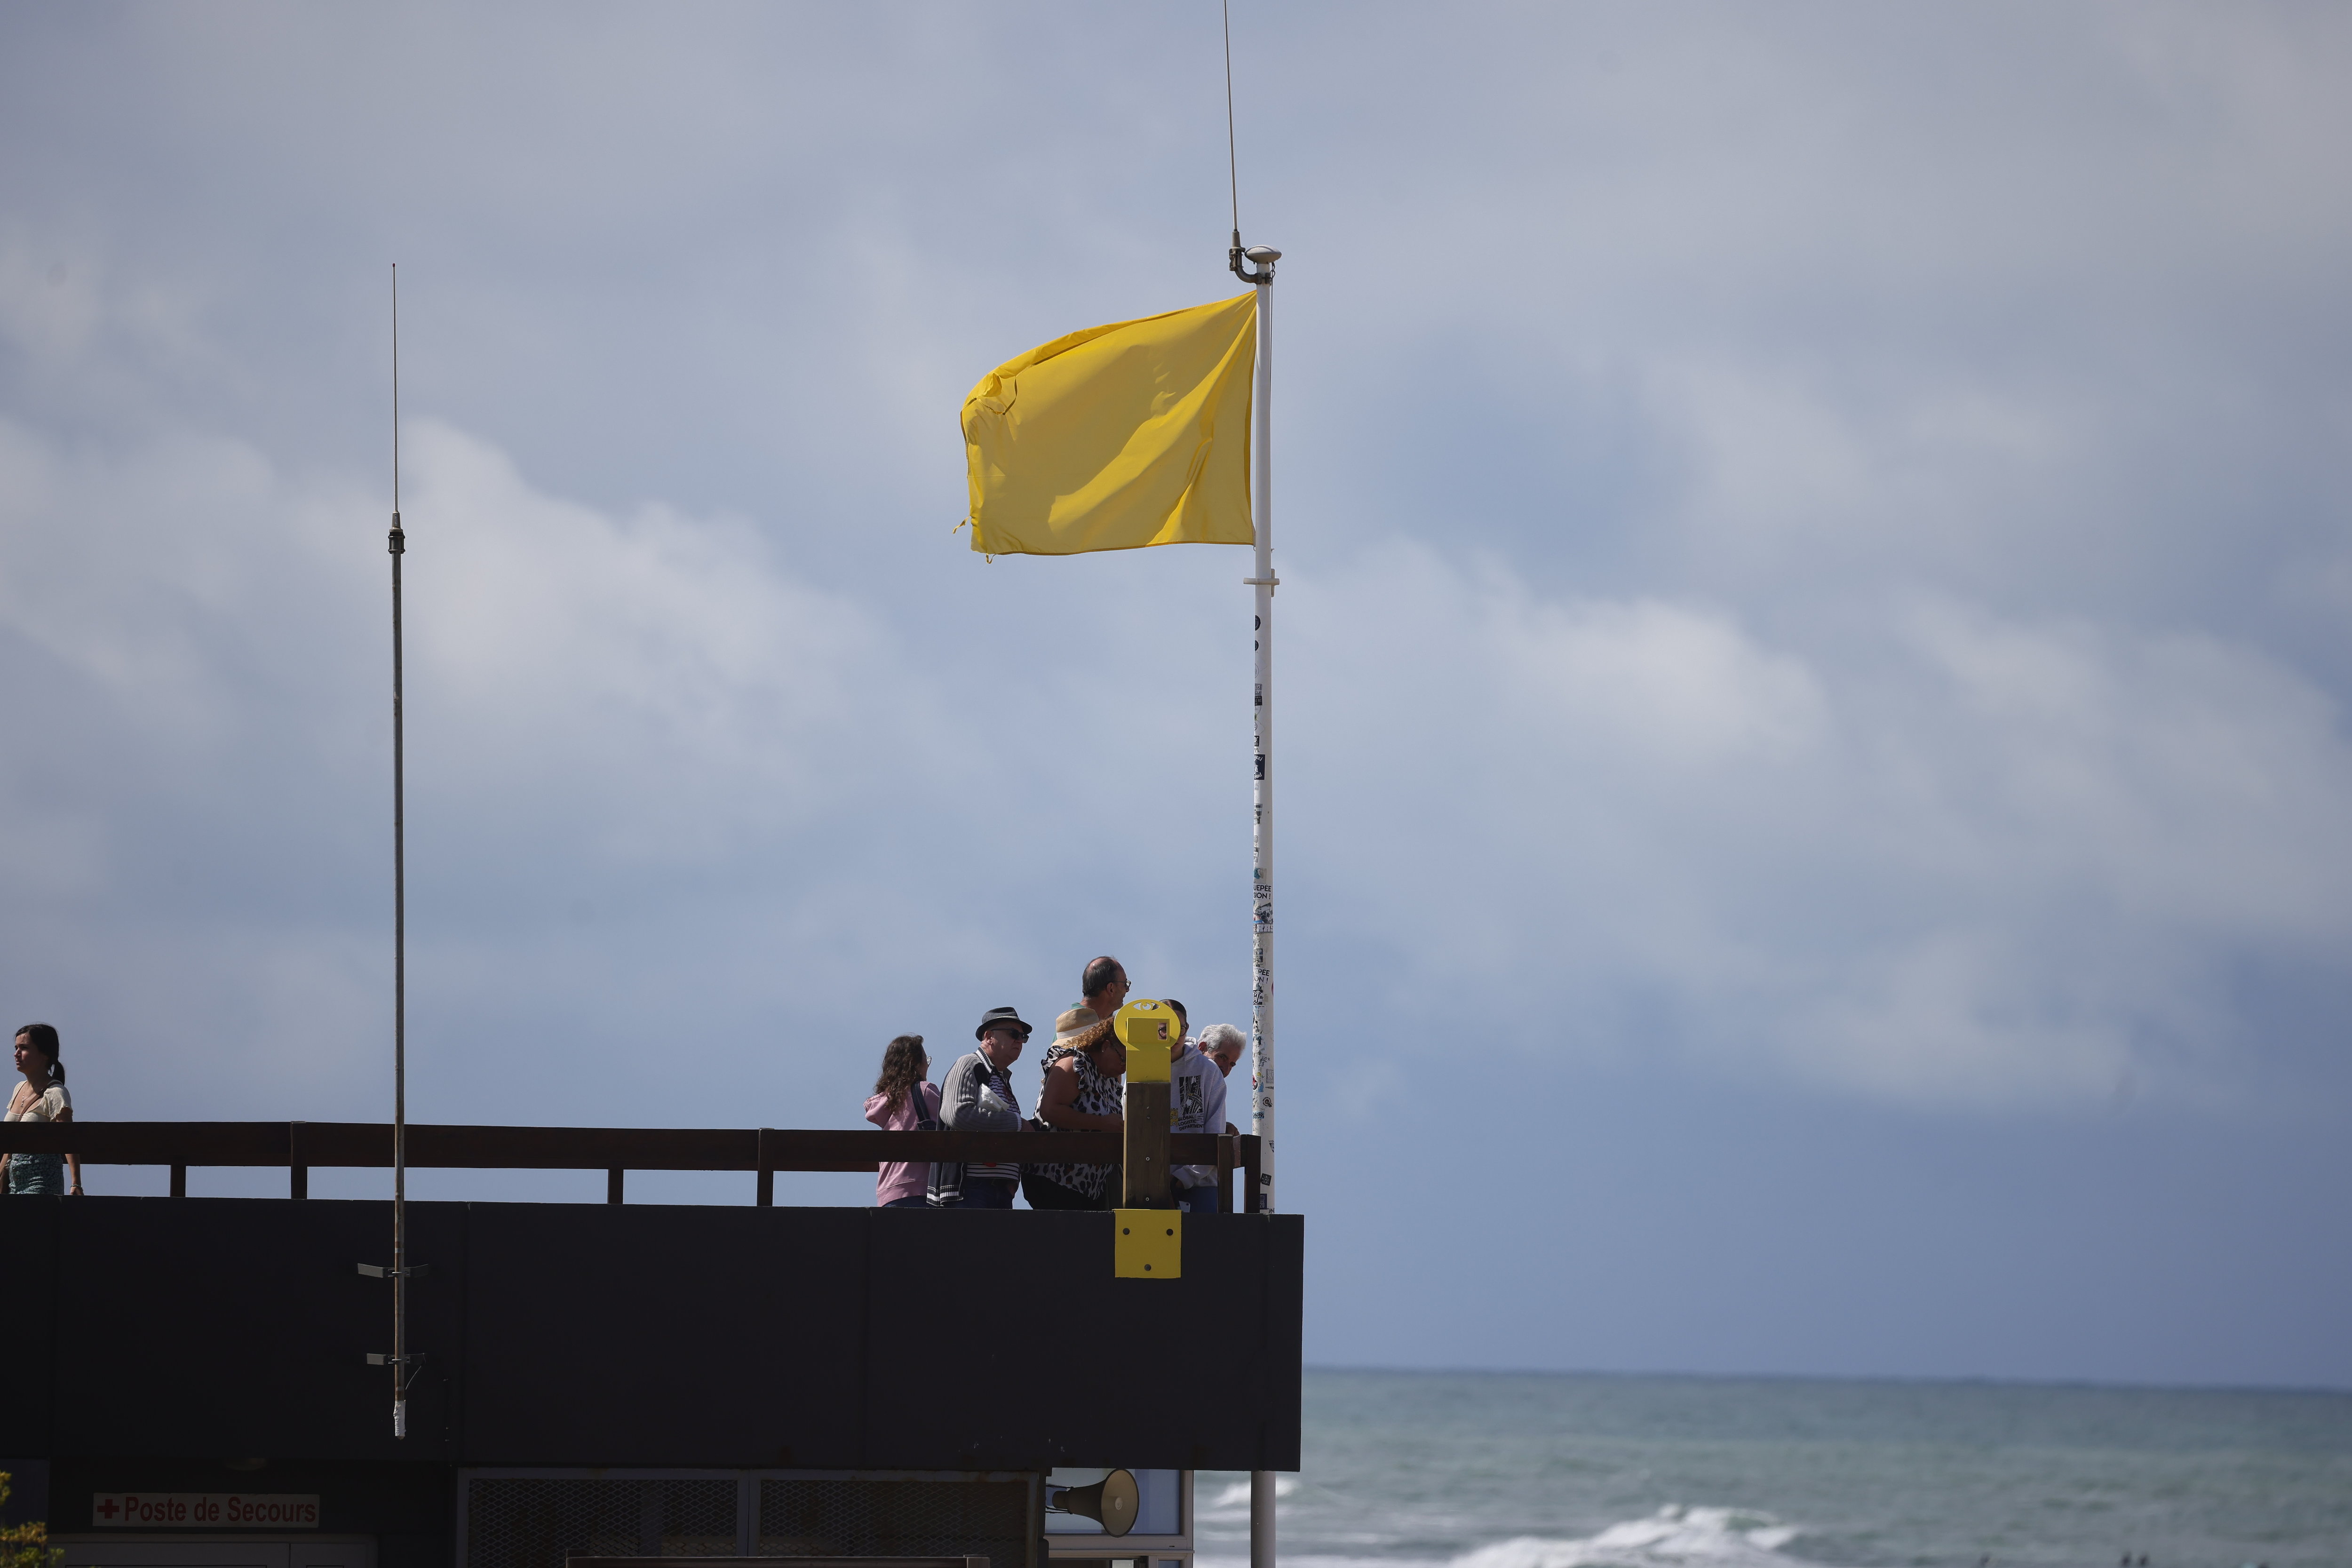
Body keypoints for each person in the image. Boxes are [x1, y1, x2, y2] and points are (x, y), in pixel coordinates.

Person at [1025, 975, 1128, 1210]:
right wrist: (1103, 1124)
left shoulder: (1109, 1078)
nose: (1125, 1066)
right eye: (1123, 1059)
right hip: (1055, 1180)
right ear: (1105, 1046)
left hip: (1087, 1187)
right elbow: (1049, 1110)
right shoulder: (1074, 1064)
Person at [931, 1006, 1029, 1209]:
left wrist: (1013, 1179)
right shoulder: (971, 1064)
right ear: (989, 1036)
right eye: (1013, 1033)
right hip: (970, 1189)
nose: (1019, 1040)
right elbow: (957, 1113)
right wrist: (1018, 1123)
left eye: (1023, 1037)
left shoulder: (999, 1078)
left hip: (999, 1191)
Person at [864, 1034, 941, 1209]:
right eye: (926, 1060)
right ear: (915, 1063)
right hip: (920, 1189)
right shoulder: (925, 1092)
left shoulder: (885, 1102)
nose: (927, 1066)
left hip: (888, 1192)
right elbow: (954, 1125)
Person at [1164, 1002, 1228, 1214]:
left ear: (1187, 1028)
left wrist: (1183, 1178)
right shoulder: (1137, 1069)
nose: (1172, 1034)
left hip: (1201, 1186)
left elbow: (1215, 1134)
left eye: (1178, 1028)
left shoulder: (1207, 1071)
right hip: (1148, 1187)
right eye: (1164, 1028)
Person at [4, 1023, 79, 1197]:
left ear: (44, 1054)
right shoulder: (18, 1089)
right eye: (16, 1048)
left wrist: (76, 1183)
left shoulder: (56, 1093)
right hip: (13, 1183)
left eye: (24, 1048)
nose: (16, 1054)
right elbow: (8, 1145)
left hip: (41, 1181)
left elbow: (69, 1139)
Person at [1198, 1022, 1246, 1132]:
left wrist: (1223, 1127)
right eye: (1222, 1057)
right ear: (1202, 1048)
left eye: (1232, 1065)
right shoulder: (1174, 1069)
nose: (1226, 1069)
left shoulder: (1216, 1087)